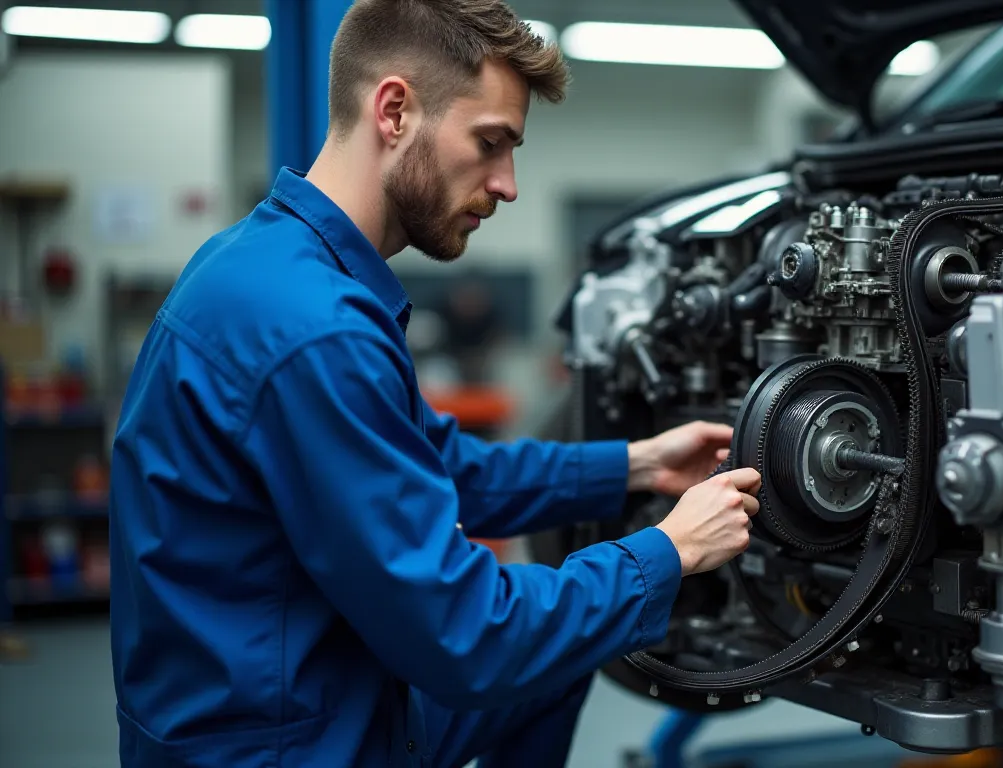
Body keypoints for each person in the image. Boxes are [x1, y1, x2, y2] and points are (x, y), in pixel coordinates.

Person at [106, 1, 762, 766]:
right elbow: (465, 636)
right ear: (394, 111)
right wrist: (667, 551)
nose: (507, 184)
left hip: (286, 692)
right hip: (284, 742)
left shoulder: (264, 264)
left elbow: (441, 468)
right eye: (491, 144)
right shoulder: (316, 330)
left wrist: (637, 464)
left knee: (551, 671)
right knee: (522, 654)